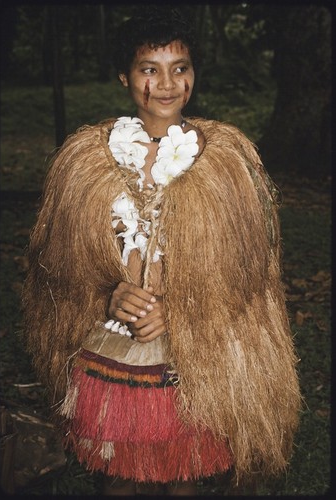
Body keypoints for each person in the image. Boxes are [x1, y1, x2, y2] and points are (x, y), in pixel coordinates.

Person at [22, 6, 302, 496]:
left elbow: (248, 270)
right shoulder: (88, 158)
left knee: (183, 479)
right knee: (117, 480)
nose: (167, 83)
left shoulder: (224, 160)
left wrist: (180, 309)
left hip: (193, 348)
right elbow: (61, 262)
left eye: (180, 68)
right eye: (150, 69)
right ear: (125, 77)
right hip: (111, 340)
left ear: (193, 74)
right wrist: (108, 292)